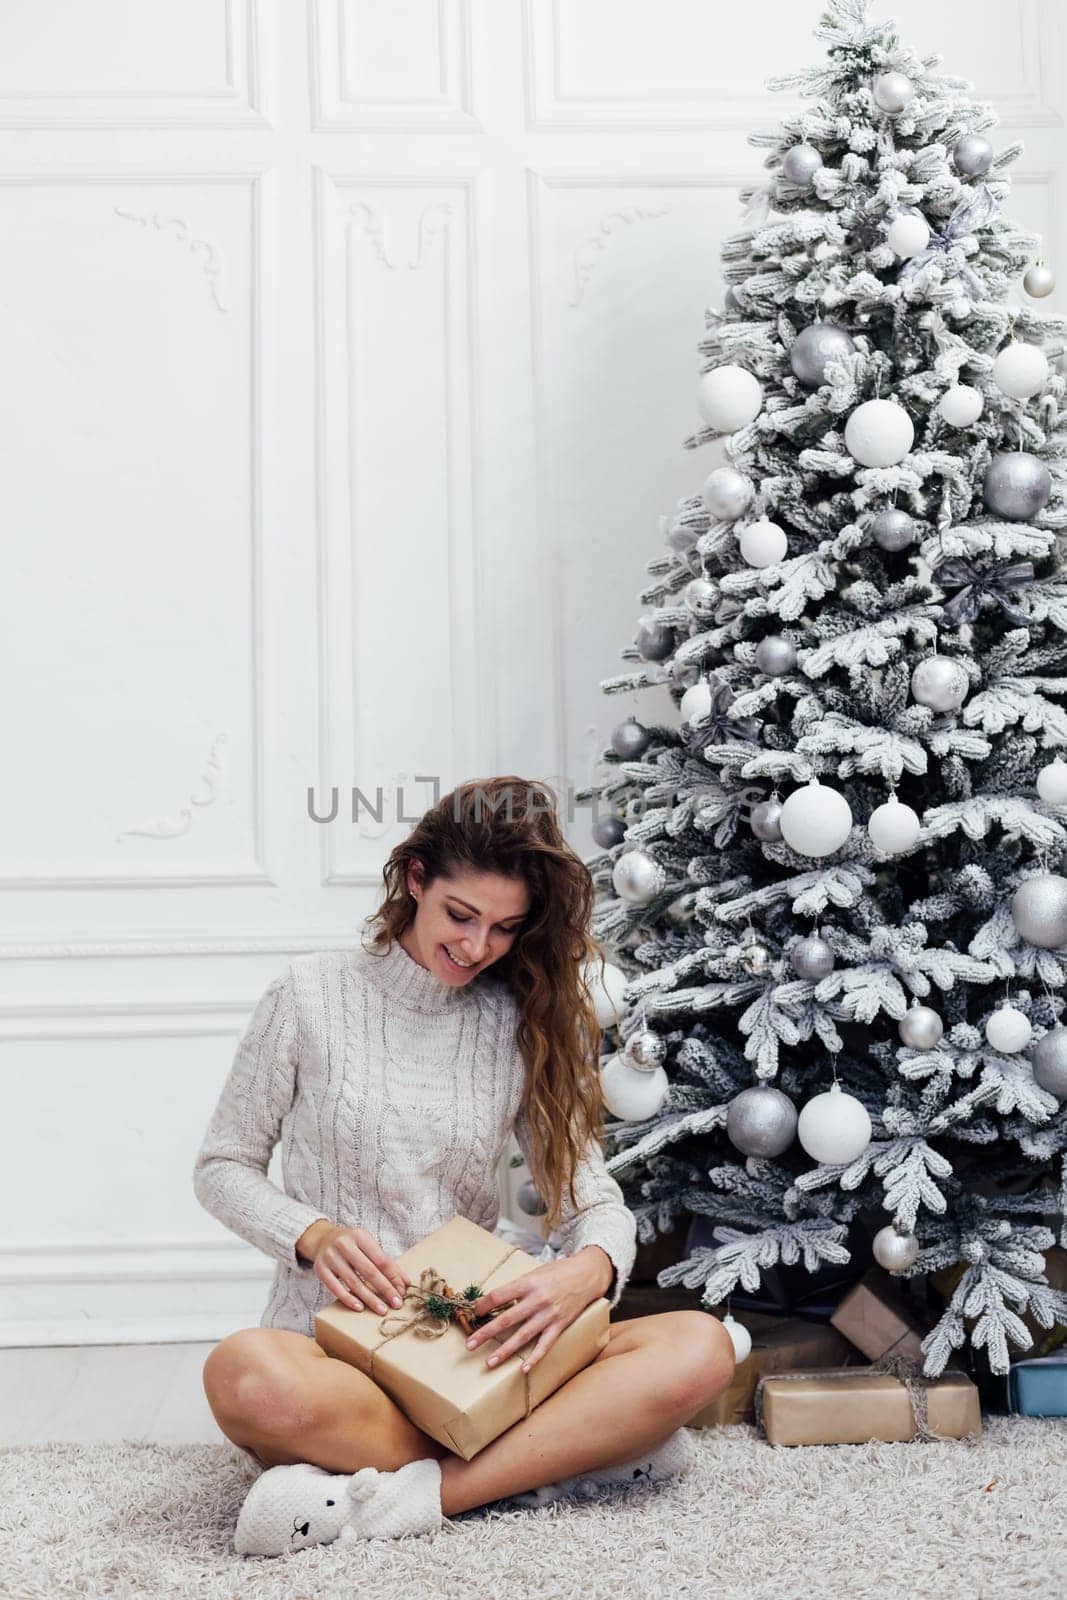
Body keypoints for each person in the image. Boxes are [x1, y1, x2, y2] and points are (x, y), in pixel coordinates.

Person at [193, 777, 735, 1556]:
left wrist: (587, 1269)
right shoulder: (308, 994)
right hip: (339, 1359)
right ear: (416, 880)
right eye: (460, 915)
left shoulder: (516, 1020)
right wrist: (310, 1234)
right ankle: (564, 1461)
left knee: (699, 1348)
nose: (477, 947)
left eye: (505, 927)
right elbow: (222, 1166)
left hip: (477, 1354)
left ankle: (408, 1496)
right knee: (244, 1374)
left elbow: (594, 1200)